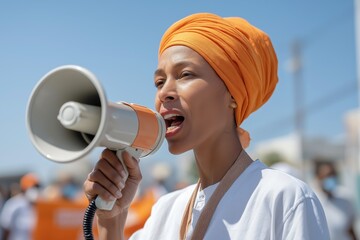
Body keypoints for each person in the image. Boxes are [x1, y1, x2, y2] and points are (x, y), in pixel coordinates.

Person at [83, 12, 330, 239]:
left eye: (185, 74)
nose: (164, 93)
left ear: (232, 94)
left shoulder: (283, 199)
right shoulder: (166, 211)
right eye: (159, 82)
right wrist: (111, 221)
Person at [313, 161, 358, 240]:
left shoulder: (345, 199)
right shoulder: (313, 201)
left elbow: (350, 229)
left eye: (333, 175)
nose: (331, 179)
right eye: (327, 175)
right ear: (318, 178)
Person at [0, 173, 41, 240]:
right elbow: (6, 227)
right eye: (33, 187)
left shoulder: (38, 205)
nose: (35, 190)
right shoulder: (14, 204)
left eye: (37, 187)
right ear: (24, 188)